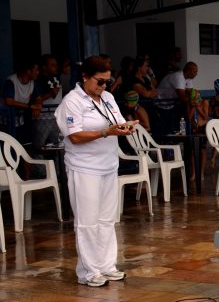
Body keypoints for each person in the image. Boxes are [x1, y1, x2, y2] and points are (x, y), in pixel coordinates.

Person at [54, 55, 136, 287]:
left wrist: (127, 128)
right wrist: (105, 133)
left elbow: (117, 123)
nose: (103, 86)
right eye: (99, 82)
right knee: (87, 222)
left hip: (108, 165)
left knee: (107, 220)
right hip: (84, 167)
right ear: (85, 77)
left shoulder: (108, 98)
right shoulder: (72, 101)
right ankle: (89, 272)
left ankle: (107, 266)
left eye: (107, 82)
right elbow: (75, 136)